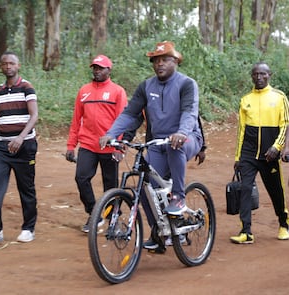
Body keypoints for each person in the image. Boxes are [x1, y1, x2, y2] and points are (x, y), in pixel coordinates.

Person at [99, 41, 203, 249]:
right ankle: (160, 233)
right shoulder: (146, 86)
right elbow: (130, 114)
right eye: (156, 61)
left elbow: (189, 112)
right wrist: (112, 134)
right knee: (145, 186)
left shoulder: (186, 84)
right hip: (157, 143)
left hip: (187, 137)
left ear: (175, 61)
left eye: (165, 59)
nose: (159, 64)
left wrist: (182, 132)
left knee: (176, 147)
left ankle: (179, 198)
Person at [0, 52, 38, 243]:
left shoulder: (27, 87)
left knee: (26, 188)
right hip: (1, 148)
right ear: (1, 67)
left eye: (11, 63)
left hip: (25, 146)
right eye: (4, 64)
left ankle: (28, 228)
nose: (8, 67)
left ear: (18, 65)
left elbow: (34, 115)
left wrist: (21, 138)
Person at [65, 54, 128, 233]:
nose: (97, 71)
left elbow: (122, 120)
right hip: (88, 144)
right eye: (95, 67)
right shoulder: (84, 91)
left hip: (110, 145)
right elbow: (76, 120)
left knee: (111, 185)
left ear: (109, 70)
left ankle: (113, 220)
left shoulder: (118, 91)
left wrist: (119, 146)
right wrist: (71, 145)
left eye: (101, 68)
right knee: (81, 177)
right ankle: (94, 214)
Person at [230, 62, 289, 244]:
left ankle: (284, 224)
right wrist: (238, 156)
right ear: (252, 76)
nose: (259, 77)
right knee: (245, 189)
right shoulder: (246, 99)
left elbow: (285, 124)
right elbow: (241, 130)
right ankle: (246, 231)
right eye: (255, 74)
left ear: (269, 75)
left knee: (275, 191)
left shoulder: (279, 97)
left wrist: (277, 147)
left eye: (263, 74)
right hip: (248, 153)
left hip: (269, 154)